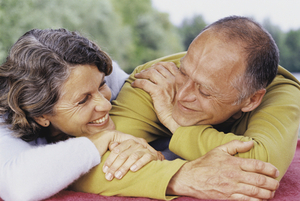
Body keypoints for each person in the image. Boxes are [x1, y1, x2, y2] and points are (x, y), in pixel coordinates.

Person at [70, 16, 293, 200]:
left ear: (252, 100)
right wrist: (181, 177)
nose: (183, 95)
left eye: (204, 92)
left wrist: (173, 121)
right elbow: (87, 163)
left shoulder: (282, 91)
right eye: (184, 72)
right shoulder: (157, 80)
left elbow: (263, 166)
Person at [0, 28, 165, 201]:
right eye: (83, 101)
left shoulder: (91, 76)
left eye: (102, 85)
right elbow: (18, 186)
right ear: (41, 116)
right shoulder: (4, 121)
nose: (105, 105)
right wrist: (102, 140)